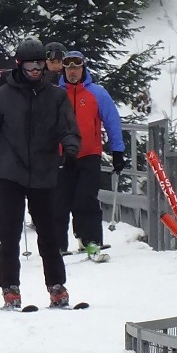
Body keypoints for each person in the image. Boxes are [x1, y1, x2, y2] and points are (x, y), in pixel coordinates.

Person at [0, 38, 81, 309]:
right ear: (19, 65)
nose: (36, 70)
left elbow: (69, 128)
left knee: (49, 233)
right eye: (30, 65)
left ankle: (56, 285)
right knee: (9, 233)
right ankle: (10, 288)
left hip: (43, 172)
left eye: (40, 64)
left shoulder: (56, 96)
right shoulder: (3, 96)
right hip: (10, 173)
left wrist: (72, 149)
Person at [55, 50, 126, 256]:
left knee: (86, 198)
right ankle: (58, 245)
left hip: (89, 153)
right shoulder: (56, 94)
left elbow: (112, 121)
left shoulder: (98, 93)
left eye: (76, 68)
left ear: (83, 68)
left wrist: (118, 150)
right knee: (59, 200)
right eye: (69, 69)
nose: (73, 73)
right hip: (61, 155)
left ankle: (91, 240)